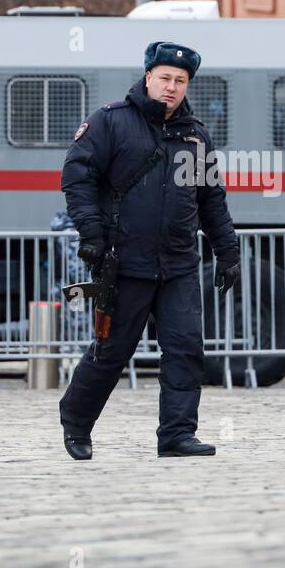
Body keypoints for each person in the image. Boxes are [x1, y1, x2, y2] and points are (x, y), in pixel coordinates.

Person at [58, 40, 240, 460]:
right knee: (112, 352)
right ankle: (76, 422)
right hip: (125, 263)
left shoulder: (196, 136)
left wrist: (227, 252)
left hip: (178, 265)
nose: (172, 87)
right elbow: (77, 176)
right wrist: (91, 231)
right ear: (148, 78)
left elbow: (211, 199)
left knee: (185, 350)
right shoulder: (110, 122)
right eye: (164, 78)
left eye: (180, 80)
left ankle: (176, 434)